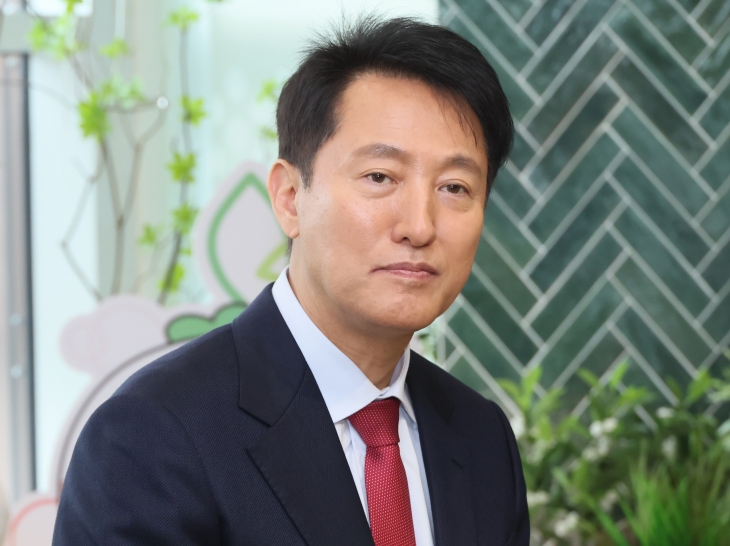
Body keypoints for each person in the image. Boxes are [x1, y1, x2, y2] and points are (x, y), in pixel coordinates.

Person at [53, 16, 529, 546]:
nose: (419, 226)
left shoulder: (482, 438)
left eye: (455, 187)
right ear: (289, 198)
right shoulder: (153, 433)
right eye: (380, 177)